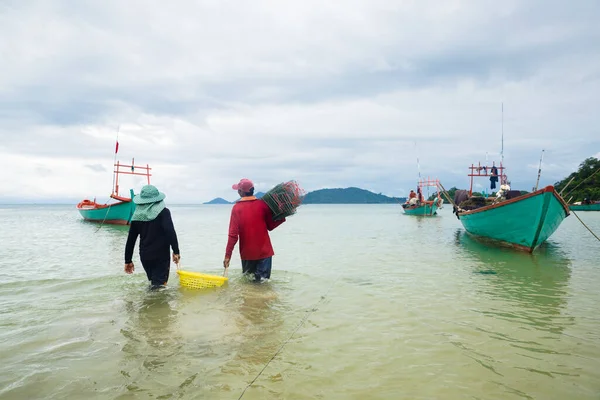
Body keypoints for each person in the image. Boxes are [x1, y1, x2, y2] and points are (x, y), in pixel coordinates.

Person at [223, 178, 286, 281]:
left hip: (247, 255)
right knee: (263, 285)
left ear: (241, 192)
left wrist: (227, 255)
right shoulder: (263, 205)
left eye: (238, 190)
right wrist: (282, 218)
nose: (238, 192)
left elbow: (233, 235)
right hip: (265, 254)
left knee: (249, 286)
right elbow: (270, 226)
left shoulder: (236, 208)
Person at [124, 185, 180, 289]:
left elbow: (131, 239)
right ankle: (153, 303)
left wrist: (128, 260)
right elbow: (170, 232)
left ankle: (148, 303)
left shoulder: (137, 216)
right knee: (159, 286)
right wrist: (176, 251)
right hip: (161, 256)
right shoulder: (164, 212)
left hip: (145, 256)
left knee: (154, 283)